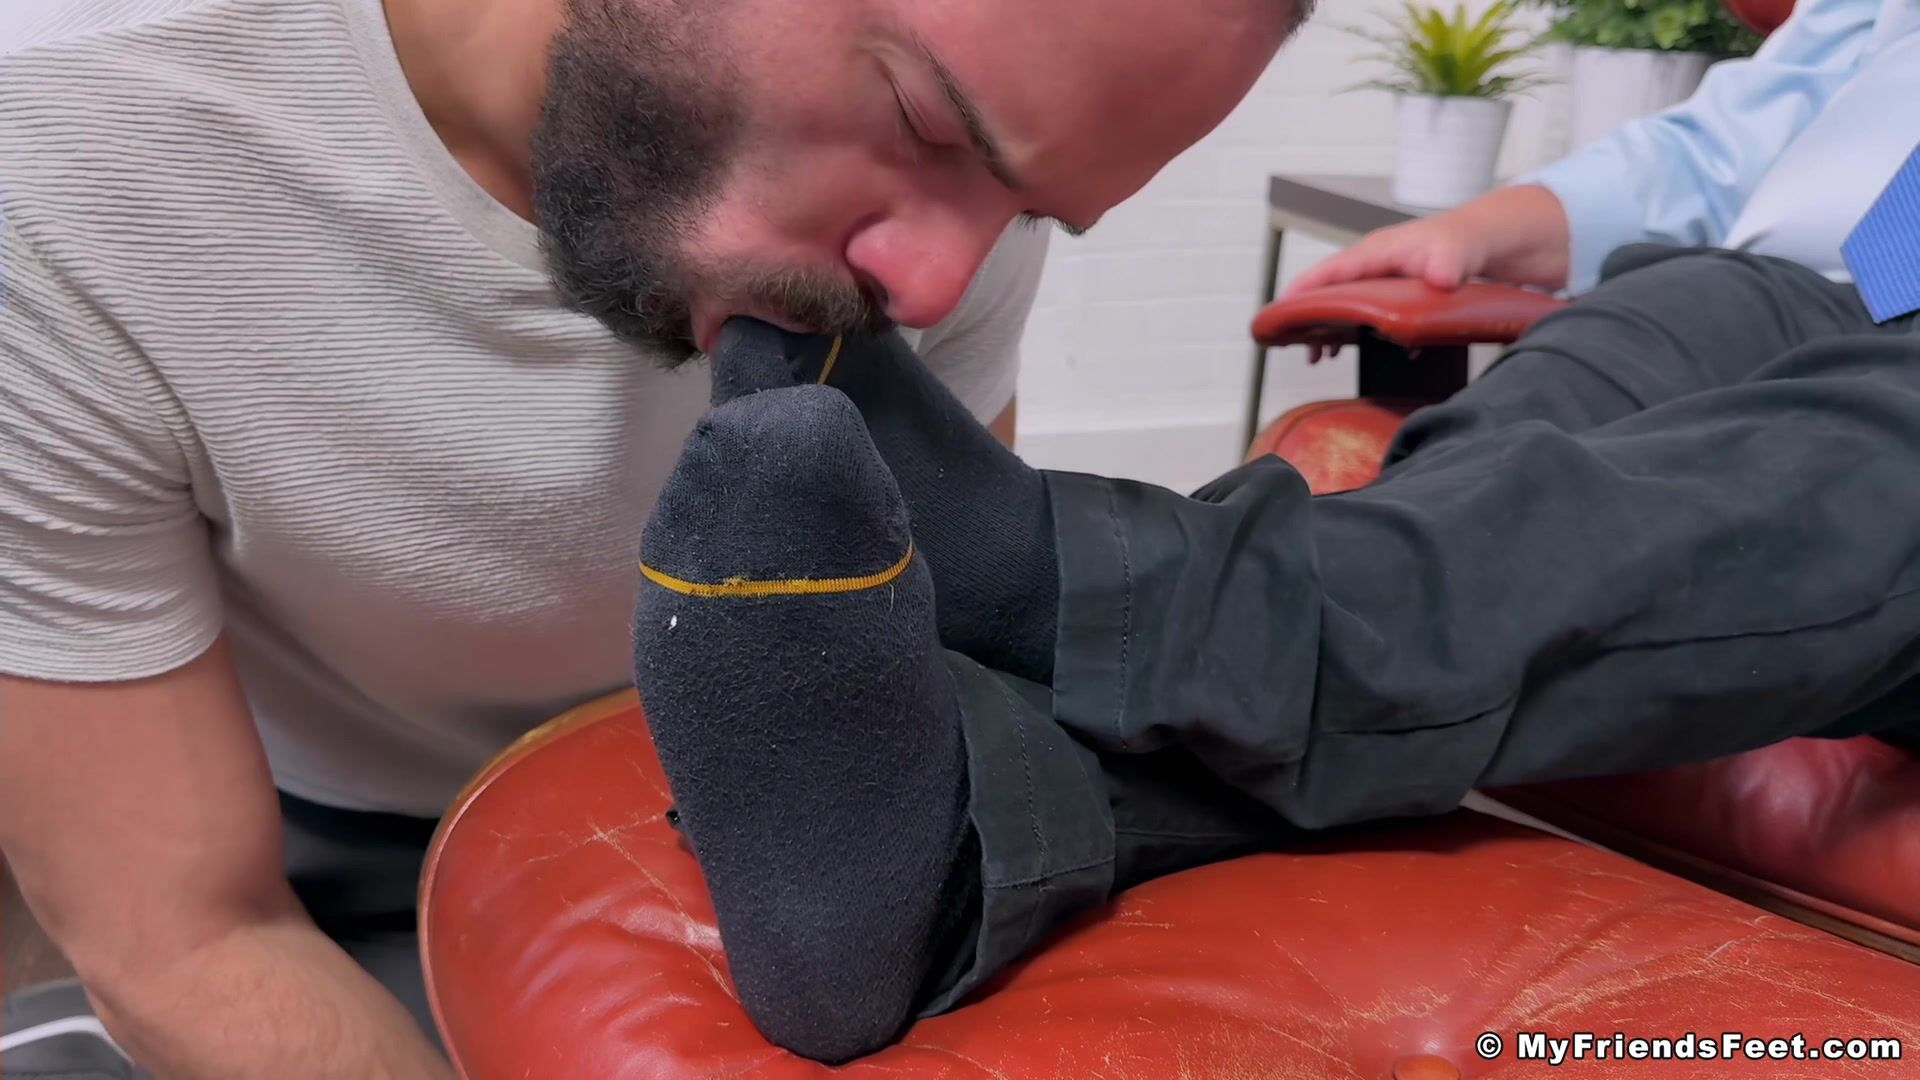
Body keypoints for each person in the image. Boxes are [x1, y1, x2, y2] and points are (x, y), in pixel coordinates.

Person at [0, 0, 1310, 1075]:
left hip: (777, 839)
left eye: (1027, 212)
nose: (936, 290)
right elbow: (188, 936)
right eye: (923, 120)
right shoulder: (74, 171)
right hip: (341, 880)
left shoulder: (914, 235)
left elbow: (952, 647)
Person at [618, 0, 1920, 1062]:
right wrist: (1478, 231)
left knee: (1778, 474)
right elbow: (1741, 136)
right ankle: (951, 848)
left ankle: (1083, 588)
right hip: (1791, 279)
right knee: (1552, 444)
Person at [1286, 0, 1919, 300]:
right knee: (1490, 445)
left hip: (1875, 356)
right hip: (1745, 309)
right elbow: (1719, 155)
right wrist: (1467, 232)